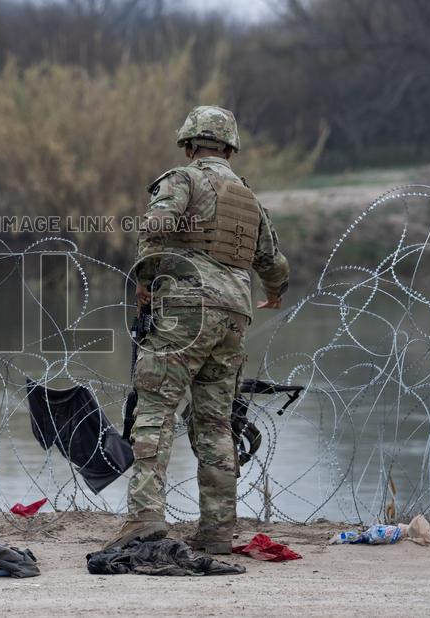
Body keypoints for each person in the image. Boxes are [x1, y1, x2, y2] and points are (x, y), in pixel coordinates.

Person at [106, 105, 289, 554]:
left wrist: (145, 281)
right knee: (214, 423)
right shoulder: (248, 197)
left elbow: (155, 228)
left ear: (189, 146)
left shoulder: (182, 179)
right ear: (229, 148)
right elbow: (274, 263)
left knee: (154, 411)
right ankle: (217, 531)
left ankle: (146, 518)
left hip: (186, 307)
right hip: (234, 313)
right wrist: (276, 293)